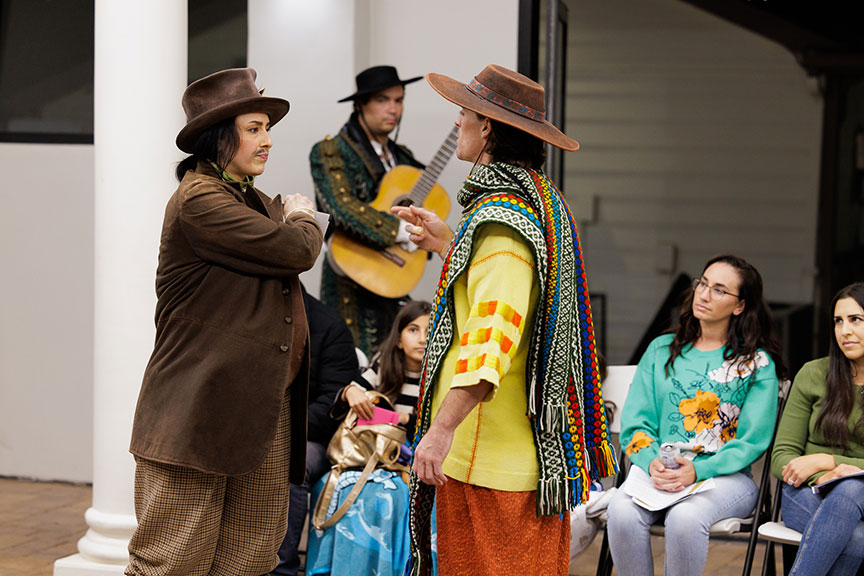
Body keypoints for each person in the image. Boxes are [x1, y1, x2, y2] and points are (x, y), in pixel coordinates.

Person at [393, 64, 617, 576]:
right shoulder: (538, 202)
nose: (457, 124)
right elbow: (515, 293)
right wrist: (450, 243)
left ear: (487, 127)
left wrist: (440, 429)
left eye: (463, 114)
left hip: (489, 460)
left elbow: (491, 338)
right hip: (517, 458)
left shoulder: (502, 224)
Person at [126, 68, 323, 576]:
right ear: (218, 136)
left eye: (267, 128)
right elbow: (297, 249)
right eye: (254, 128)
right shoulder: (201, 200)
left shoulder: (250, 199)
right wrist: (302, 216)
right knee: (172, 560)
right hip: (200, 411)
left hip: (257, 410)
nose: (267, 141)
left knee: (249, 559)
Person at [605, 254, 786, 576]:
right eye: (702, 283)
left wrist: (698, 470)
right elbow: (635, 423)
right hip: (659, 471)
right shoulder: (662, 349)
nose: (703, 294)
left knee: (685, 518)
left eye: (719, 289)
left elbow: (752, 441)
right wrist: (652, 463)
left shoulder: (756, 363)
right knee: (620, 511)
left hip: (724, 478)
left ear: (740, 305)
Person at [305, 300, 432, 576]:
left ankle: (388, 568)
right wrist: (350, 392)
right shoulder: (382, 366)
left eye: (429, 329)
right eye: (413, 329)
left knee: (393, 495)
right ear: (398, 339)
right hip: (372, 455)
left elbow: (428, 427)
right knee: (335, 485)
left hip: (414, 458)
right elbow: (354, 391)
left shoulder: (436, 377)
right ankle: (344, 567)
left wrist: (400, 420)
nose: (422, 338)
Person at [310, 65, 425, 357]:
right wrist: (400, 231)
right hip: (351, 278)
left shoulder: (404, 157)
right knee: (352, 368)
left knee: (395, 367)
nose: (393, 109)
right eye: (383, 100)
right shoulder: (330, 151)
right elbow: (341, 208)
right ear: (360, 104)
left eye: (398, 100)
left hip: (394, 277)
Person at [771, 282, 864, 576]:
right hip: (808, 491)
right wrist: (823, 475)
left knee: (851, 487)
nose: (845, 331)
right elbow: (782, 455)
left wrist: (831, 461)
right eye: (838, 321)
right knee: (857, 539)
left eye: (856, 320)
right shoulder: (813, 373)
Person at [274, 285, 361, 576]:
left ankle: (280, 569)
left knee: (290, 463)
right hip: (251, 431)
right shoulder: (245, 313)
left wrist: (278, 432)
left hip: (310, 436)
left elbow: (333, 402)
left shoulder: (329, 325)